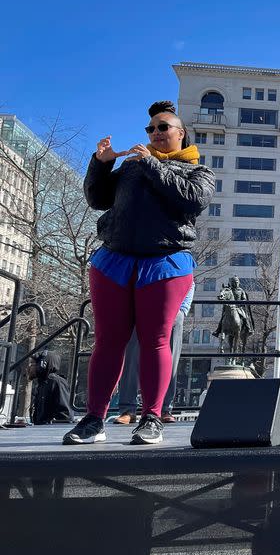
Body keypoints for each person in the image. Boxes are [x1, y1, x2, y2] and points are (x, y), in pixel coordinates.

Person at [63, 101, 213, 446]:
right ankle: (93, 419)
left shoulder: (198, 172)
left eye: (163, 128)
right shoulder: (131, 167)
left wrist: (149, 164)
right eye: (151, 129)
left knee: (156, 339)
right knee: (107, 341)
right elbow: (98, 198)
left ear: (181, 133)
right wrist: (100, 165)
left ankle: (151, 417)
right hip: (114, 260)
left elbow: (191, 200)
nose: (155, 133)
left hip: (165, 262)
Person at [113, 282, 195, 425]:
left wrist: (182, 310)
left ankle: (165, 409)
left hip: (172, 309)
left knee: (170, 361)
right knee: (132, 357)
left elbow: (189, 281)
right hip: (141, 305)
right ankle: (128, 409)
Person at [29, 350, 73, 425]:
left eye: (32, 364)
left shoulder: (56, 383)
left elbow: (65, 416)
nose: (30, 367)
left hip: (48, 432)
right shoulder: (42, 384)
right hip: (40, 430)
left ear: (42, 365)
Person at [212, 275, 254, 340]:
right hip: (229, 307)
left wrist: (240, 302)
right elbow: (224, 296)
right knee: (223, 317)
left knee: (245, 317)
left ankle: (248, 329)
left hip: (238, 307)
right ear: (231, 283)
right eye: (234, 282)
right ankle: (218, 330)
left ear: (238, 282)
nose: (235, 283)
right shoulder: (229, 290)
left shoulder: (241, 290)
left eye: (236, 282)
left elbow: (244, 299)